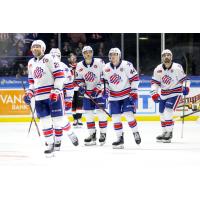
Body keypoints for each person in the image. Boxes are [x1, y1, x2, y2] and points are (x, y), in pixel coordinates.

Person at [23, 40, 78, 157]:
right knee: (45, 122)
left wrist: (57, 90)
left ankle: (70, 132)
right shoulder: (30, 63)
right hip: (39, 97)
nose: (35, 49)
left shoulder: (49, 58)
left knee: (59, 120)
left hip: (53, 95)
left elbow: (60, 76)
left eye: (38, 47)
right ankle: (50, 145)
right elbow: (32, 83)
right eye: (33, 47)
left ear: (43, 48)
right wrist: (29, 94)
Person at [103, 47, 141, 149]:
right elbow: (104, 82)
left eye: (115, 54)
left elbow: (135, 78)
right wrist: (105, 90)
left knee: (129, 115)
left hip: (126, 95)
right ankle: (119, 138)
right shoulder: (106, 67)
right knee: (115, 118)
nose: (113, 56)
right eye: (111, 55)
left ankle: (135, 132)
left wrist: (134, 91)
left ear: (119, 56)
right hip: (113, 97)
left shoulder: (127, 65)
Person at [151, 49, 190, 143]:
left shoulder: (177, 67)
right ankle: (164, 132)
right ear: (162, 58)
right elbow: (154, 83)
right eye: (164, 55)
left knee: (168, 111)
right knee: (161, 113)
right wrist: (154, 93)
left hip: (175, 93)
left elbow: (185, 80)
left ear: (171, 57)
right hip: (164, 94)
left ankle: (169, 132)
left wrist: (186, 87)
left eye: (168, 55)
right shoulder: (158, 69)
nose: (166, 57)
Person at [75, 46, 108, 146]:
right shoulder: (79, 65)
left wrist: (98, 88)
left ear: (92, 53)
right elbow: (79, 79)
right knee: (89, 115)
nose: (88, 54)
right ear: (83, 54)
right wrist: (81, 86)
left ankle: (103, 134)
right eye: (85, 52)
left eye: (89, 52)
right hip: (87, 94)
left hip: (100, 93)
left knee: (101, 114)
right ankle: (92, 135)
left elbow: (105, 76)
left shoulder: (100, 62)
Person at [49, 48, 79, 147]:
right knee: (51, 120)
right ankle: (56, 140)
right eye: (52, 55)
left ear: (60, 57)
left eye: (56, 56)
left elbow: (69, 85)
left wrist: (69, 99)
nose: (54, 58)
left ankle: (70, 133)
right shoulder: (45, 65)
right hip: (46, 95)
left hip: (58, 95)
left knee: (60, 119)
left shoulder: (64, 67)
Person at [68, 53, 83, 127]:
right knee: (73, 104)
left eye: (74, 57)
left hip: (79, 87)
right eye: (71, 57)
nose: (73, 58)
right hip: (71, 88)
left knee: (80, 103)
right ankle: (74, 119)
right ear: (69, 59)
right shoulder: (67, 68)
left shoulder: (79, 66)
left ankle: (79, 118)